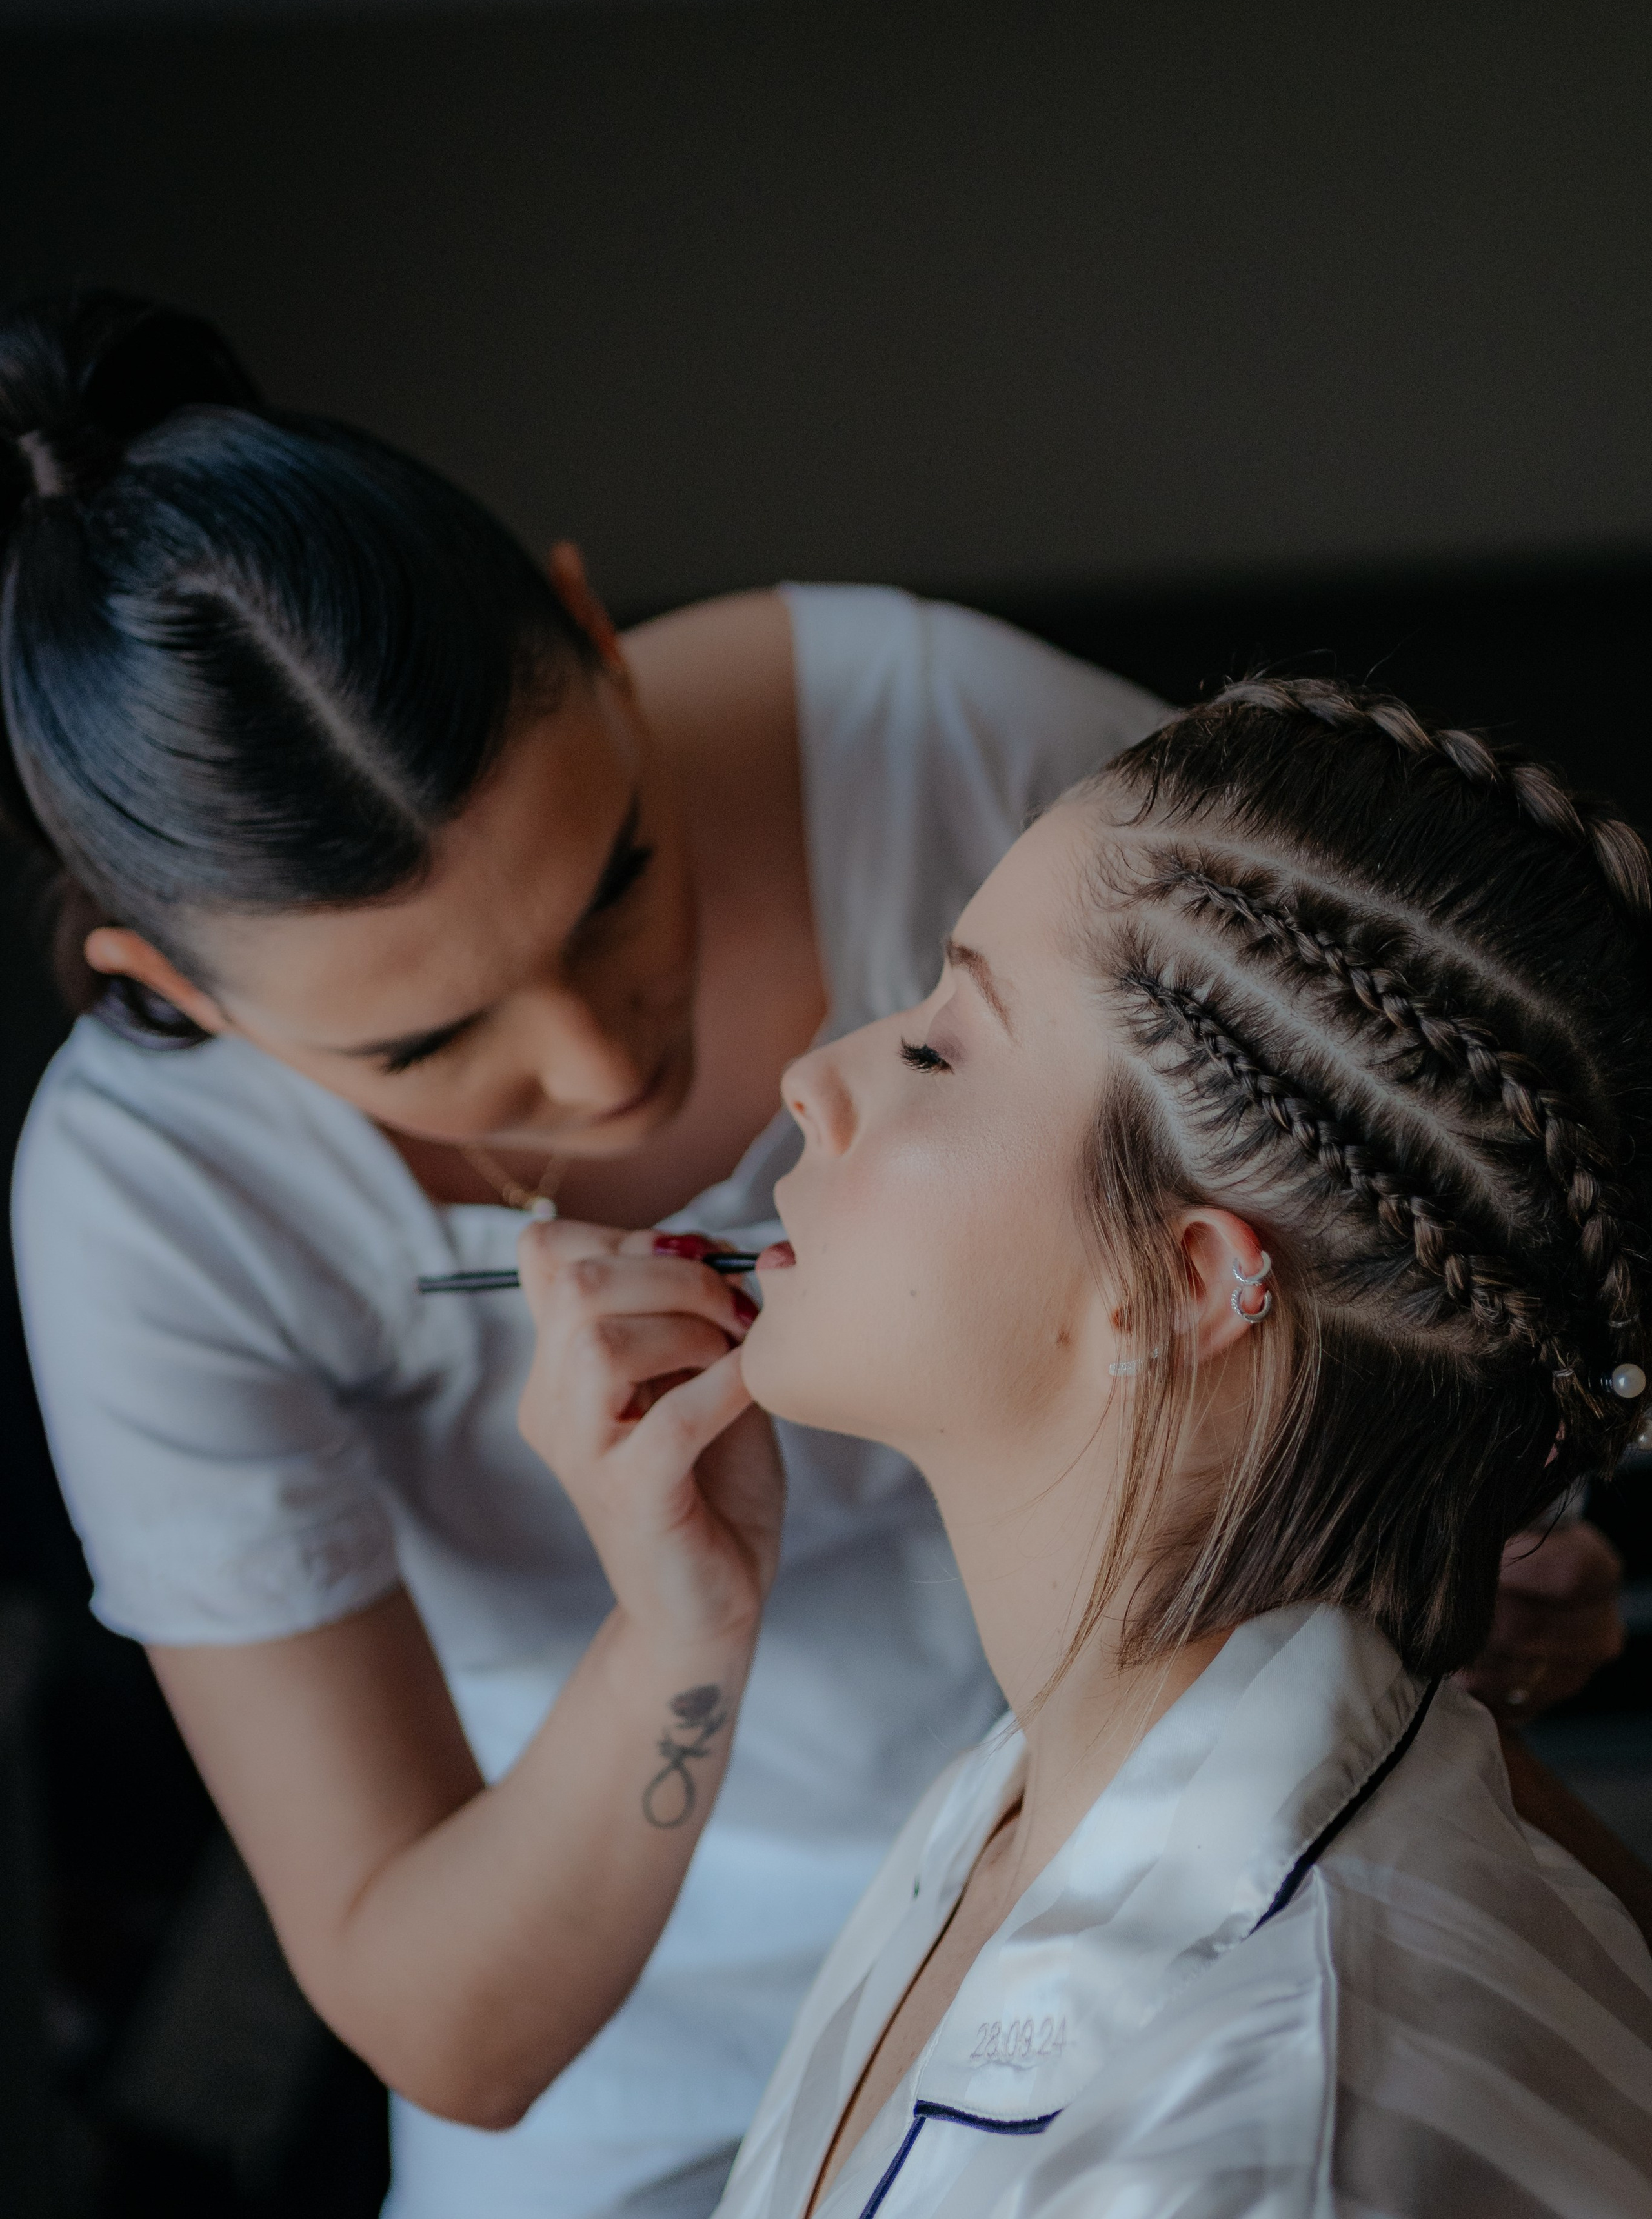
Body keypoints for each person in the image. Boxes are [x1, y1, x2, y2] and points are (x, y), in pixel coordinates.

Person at [0, 293, 1637, 2214]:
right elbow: (438, 2013)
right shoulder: (145, 1217)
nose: (618, 1071)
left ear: (599, 639)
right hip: (765, 1993)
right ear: (167, 989)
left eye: (619, 879)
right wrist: (680, 1625)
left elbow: (1350, 1110)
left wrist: (1422, 1475)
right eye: (429, 1047)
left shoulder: (949, 741)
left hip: (1145, 1845)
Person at [701, 676, 1652, 2218]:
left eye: (941, 1049)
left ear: (1189, 1281)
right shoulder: (1008, 1798)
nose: (815, 1083)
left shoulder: (1263, 2141)